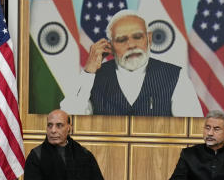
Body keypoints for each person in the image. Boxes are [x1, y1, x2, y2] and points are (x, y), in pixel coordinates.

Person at [60, 10, 203, 117]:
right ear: (110, 46)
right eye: (122, 40)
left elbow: (191, 130)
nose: (131, 45)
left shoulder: (175, 76)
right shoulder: (93, 77)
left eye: (137, 37)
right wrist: (88, 72)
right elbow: (67, 119)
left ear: (149, 39)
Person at [23, 109, 105, 180]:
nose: (53, 130)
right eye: (50, 125)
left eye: (59, 125)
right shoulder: (36, 155)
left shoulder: (85, 155)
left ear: (69, 128)